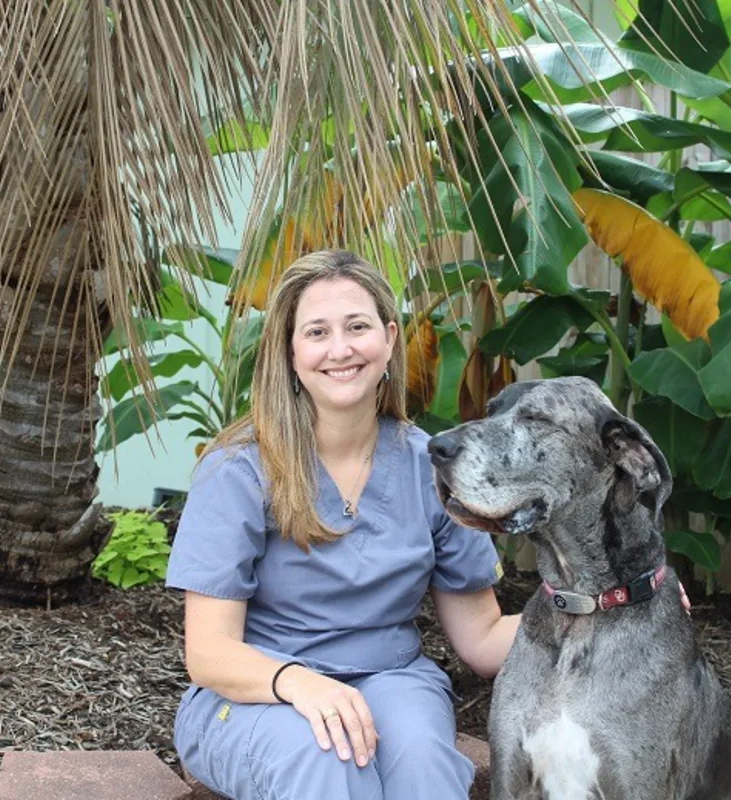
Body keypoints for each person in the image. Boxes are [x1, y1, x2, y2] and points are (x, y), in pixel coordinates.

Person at [166, 249, 520, 800]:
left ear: (389, 338)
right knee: (328, 760)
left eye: (357, 326)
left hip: (393, 680)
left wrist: (601, 605)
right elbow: (209, 653)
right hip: (256, 693)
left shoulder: (431, 468)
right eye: (316, 332)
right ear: (290, 351)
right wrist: (299, 684)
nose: (340, 349)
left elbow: (482, 639)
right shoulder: (238, 471)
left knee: (425, 768)